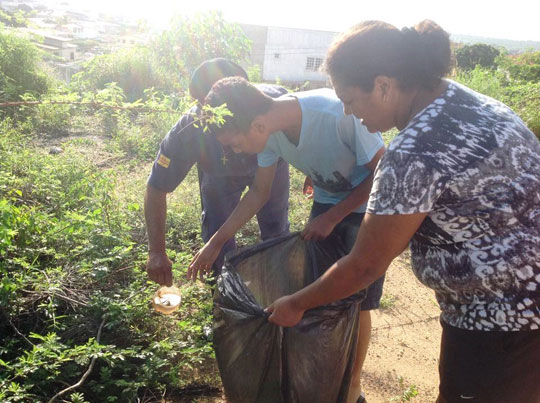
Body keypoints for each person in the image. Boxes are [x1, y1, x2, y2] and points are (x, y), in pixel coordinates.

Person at [264, 20, 540, 402]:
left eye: (350, 99)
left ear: (383, 85)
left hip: (502, 318)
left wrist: (296, 303)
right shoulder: (472, 104)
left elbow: (364, 265)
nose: (346, 112)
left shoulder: (413, 152)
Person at [188, 77, 386, 403]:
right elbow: (258, 193)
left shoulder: (336, 114)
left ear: (257, 124)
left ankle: (352, 385)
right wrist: (216, 242)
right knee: (321, 285)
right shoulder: (269, 134)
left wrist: (334, 216)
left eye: (235, 143)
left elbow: (384, 173)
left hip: (371, 208)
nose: (236, 151)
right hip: (327, 202)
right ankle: (324, 369)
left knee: (357, 297)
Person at [145, 58, 290, 286]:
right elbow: (156, 187)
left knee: (275, 230)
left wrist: (313, 172)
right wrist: (156, 252)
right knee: (216, 234)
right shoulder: (189, 130)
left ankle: (275, 290)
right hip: (220, 177)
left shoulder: (275, 104)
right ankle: (225, 297)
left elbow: (306, 134)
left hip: (273, 169)